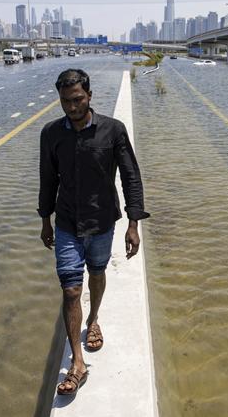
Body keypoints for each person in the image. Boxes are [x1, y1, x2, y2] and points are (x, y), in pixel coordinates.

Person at [38, 68, 150, 396]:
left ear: (89, 96)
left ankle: (94, 319)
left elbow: (131, 177)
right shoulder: (51, 134)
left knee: (97, 273)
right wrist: (45, 219)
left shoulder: (113, 131)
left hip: (102, 222)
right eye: (64, 102)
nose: (71, 108)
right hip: (68, 223)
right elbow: (48, 180)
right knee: (71, 289)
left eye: (77, 100)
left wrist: (133, 223)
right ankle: (77, 362)